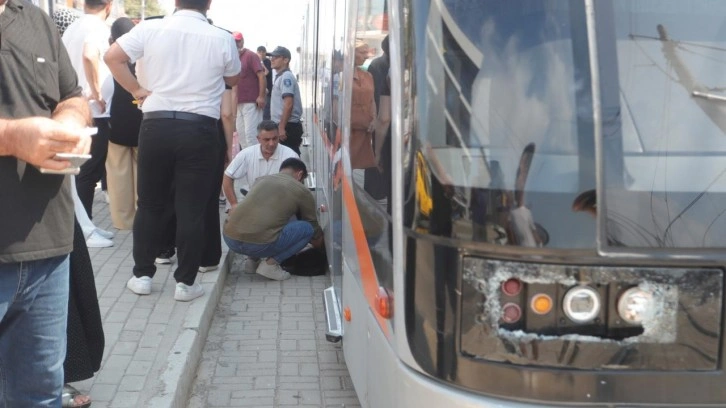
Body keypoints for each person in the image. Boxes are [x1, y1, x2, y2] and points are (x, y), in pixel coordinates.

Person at [105, 0, 240, 302]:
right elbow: (232, 79)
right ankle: (186, 284)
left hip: (156, 124)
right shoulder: (222, 38)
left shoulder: (149, 29)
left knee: (149, 204)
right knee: (192, 208)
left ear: (176, 2)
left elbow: (112, 57)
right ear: (208, 4)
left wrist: (136, 89)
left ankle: (142, 276)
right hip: (199, 128)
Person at [0, 0, 92, 405]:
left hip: (47, 253)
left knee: (41, 395)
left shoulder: (35, 18)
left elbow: (72, 95)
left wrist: (71, 121)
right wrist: (11, 138)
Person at [223, 158, 323, 281]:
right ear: (300, 174)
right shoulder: (302, 190)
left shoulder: (260, 180)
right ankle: (270, 265)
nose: (302, 183)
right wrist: (322, 249)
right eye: (302, 181)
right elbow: (312, 226)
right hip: (258, 245)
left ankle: (251, 262)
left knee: (259, 218)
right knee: (306, 229)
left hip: (230, 239)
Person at [62, 0, 114, 220]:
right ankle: (85, 228)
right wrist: (97, 92)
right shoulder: (98, 27)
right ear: (109, 5)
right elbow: (89, 54)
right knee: (88, 173)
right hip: (94, 111)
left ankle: (82, 226)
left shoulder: (72, 28)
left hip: (74, 108)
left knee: (79, 173)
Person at [106, 17, 142, 230]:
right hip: (141, 123)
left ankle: (123, 221)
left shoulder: (109, 60)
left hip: (116, 124)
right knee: (142, 173)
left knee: (118, 174)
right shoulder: (142, 60)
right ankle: (142, 216)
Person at [222, 120, 299, 210]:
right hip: (255, 203)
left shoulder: (290, 156)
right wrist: (234, 204)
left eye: (275, 138)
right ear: (258, 139)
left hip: (282, 206)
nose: (271, 143)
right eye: (267, 140)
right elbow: (227, 176)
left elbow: (298, 186)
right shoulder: (247, 154)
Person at [232, 31, 266, 148]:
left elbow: (261, 75)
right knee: (242, 137)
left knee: (251, 136)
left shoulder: (250, 55)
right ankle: (249, 159)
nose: (236, 43)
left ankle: (256, 159)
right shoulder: (234, 58)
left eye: (238, 41)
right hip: (239, 103)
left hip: (251, 102)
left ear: (242, 41)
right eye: (234, 41)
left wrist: (261, 96)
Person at [269, 46, 304, 155]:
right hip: (285, 124)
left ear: (286, 60)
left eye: (276, 57)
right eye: (271, 57)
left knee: (290, 157)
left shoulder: (286, 77)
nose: (272, 59)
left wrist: (281, 127)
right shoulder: (281, 76)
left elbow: (288, 104)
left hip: (288, 126)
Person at [257, 45, 273, 120]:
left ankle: (266, 125)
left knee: (266, 112)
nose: (261, 53)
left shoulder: (268, 62)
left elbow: (266, 73)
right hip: (259, 91)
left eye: (263, 52)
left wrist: (261, 63)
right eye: (259, 52)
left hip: (268, 90)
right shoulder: (255, 61)